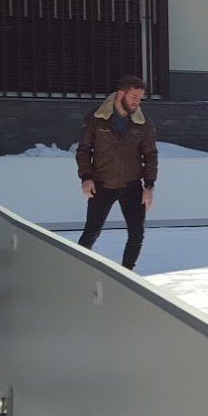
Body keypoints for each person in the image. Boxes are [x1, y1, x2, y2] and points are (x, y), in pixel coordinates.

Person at [75, 75, 159, 271]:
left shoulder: (142, 123)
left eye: (140, 98)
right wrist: (86, 178)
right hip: (101, 185)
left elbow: (151, 155)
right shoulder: (98, 119)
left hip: (132, 187)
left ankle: (127, 272)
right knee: (91, 232)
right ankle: (77, 269)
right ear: (121, 94)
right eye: (134, 97)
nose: (137, 102)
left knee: (136, 234)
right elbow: (84, 150)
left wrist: (149, 187)